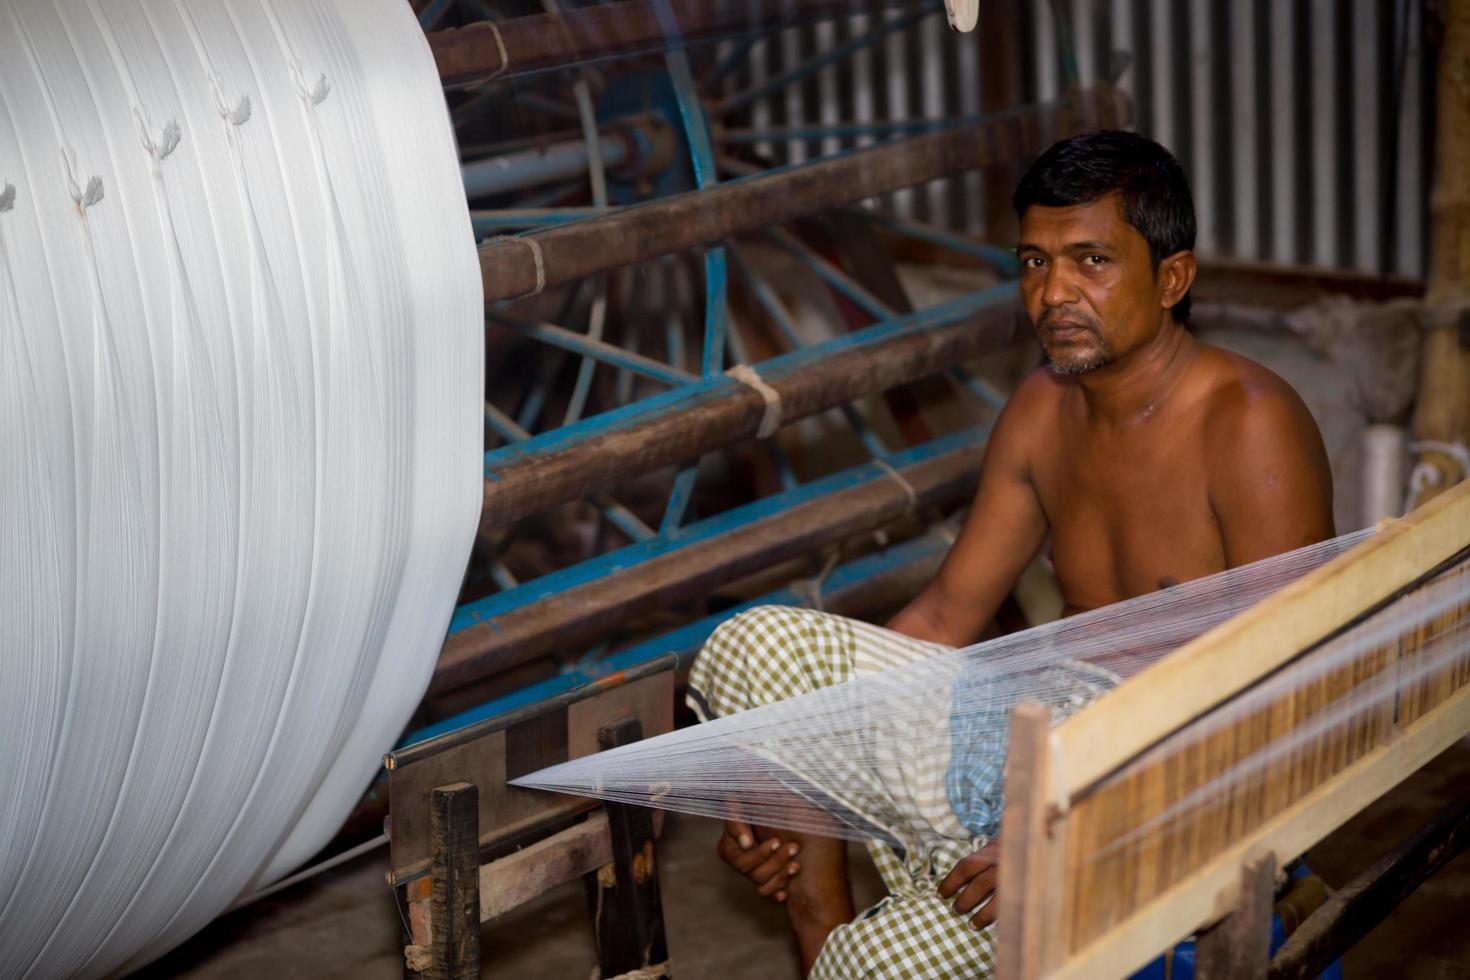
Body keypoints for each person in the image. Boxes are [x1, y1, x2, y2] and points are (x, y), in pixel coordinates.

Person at [686, 130, 1336, 978]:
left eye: (1091, 260)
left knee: (876, 969)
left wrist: (1065, 827)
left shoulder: (1247, 421)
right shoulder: (1040, 408)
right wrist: (777, 769)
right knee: (751, 646)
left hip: (1163, 794)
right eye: (1034, 262)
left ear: (1171, 279)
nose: (1055, 292)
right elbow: (949, 615)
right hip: (1017, 741)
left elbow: (1287, 694)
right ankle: (828, 932)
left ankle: (871, 945)